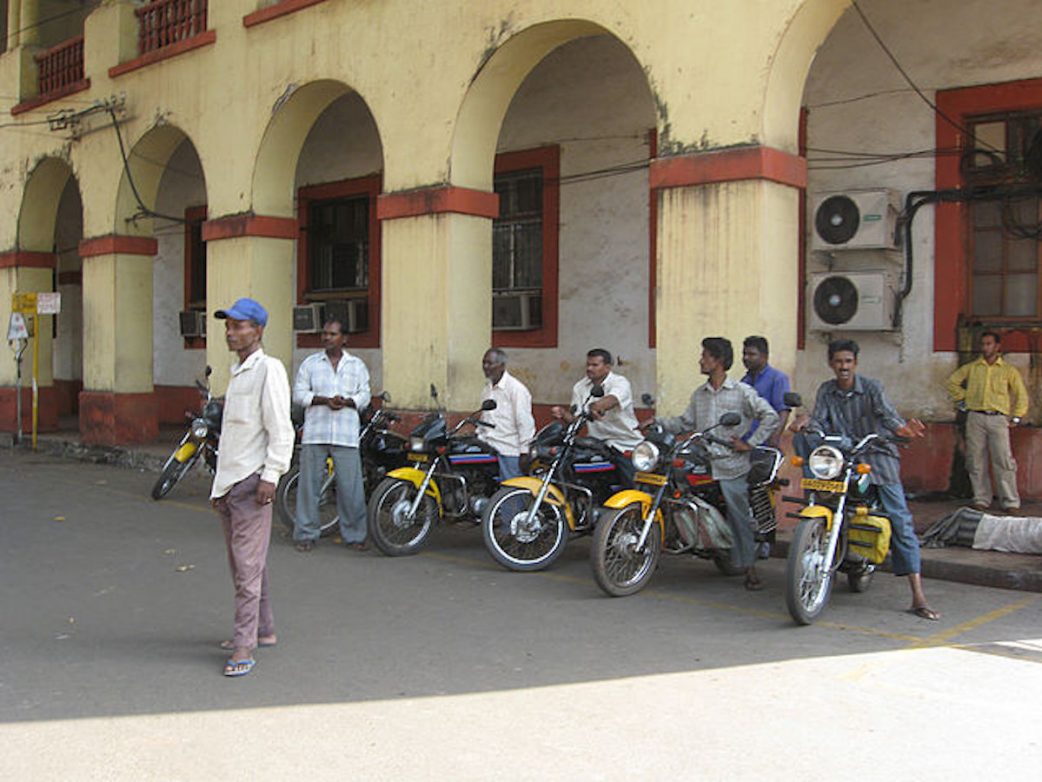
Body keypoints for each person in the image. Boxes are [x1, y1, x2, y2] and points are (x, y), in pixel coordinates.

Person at [793, 338, 939, 620]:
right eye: (838, 361)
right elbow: (819, 420)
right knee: (808, 453)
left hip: (877, 457)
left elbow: (888, 416)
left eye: (848, 361)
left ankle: (918, 596)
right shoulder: (826, 390)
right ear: (831, 364)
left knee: (900, 520)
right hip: (842, 457)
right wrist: (806, 422)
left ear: (855, 363)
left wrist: (902, 430)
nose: (843, 366)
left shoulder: (872, 388)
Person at [641, 337, 779, 590]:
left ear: (718, 361)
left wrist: (750, 443)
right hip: (702, 458)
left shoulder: (741, 392)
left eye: (705, 356)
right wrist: (657, 422)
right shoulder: (700, 394)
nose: (700, 360)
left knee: (738, 513)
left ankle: (750, 569)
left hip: (731, 463)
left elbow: (770, 416)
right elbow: (685, 423)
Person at [210, 297, 295, 677]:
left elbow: (281, 429)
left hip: (252, 482)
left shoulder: (268, 369)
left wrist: (271, 476)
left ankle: (244, 646)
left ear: (258, 330)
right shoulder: (238, 372)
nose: (231, 332)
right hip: (231, 482)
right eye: (228, 326)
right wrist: (218, 490)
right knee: (245, 563)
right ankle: (264, 628)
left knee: (246, 567)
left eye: (238, 326)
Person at [292, 316, 372, 552]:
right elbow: (299, 394)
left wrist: (347, 402)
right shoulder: (310, 364)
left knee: (351, 488)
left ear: (344, 338)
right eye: (325, 334)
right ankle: (306, 534)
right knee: (309, 487)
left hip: (346, 435)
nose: (327, 337)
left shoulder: (356, 365)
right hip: (315, 433)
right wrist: (324, 400)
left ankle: (355, 536)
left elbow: (365, 395)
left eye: (332, 334)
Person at [945, 331, 1028, 512]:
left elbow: (1021, 395)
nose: (985, 347)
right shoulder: (972, 368)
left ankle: (1010, 501)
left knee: (1003, 460)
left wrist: (1017, 416)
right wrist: (964, 399)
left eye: (989, 344)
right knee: (975, 460)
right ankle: (981, 498)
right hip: (975, 417)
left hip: (998, 418)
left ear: (997, 346)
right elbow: (952, 382)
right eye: (983, 344)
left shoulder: (1008, 370)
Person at [551, 348, 642, 483]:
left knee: (631, 483)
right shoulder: (580, 387)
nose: (589, 368)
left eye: (595, 365)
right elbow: (576, 419)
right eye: (588, 365)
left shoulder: (620, 382)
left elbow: (612, 399)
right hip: (597, 443)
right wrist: (563, 413)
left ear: (607, 367)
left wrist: (596, 407)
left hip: (624, 443)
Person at [478, 348, 535, 481]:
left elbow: (525, 423)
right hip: (488, 446)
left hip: (508, 450)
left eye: (490, 363)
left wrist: (524, 452)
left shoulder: (516, 389)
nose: (485, 367)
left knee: (510, 490)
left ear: (502, 366)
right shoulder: (487, 389)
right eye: (484, 363)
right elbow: (485, 417)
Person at [740, 335, 791, 447]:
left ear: (764, 356)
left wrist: (775, 437)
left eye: (751, 354)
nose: (746, 358)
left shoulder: (778, 378)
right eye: (744, 354)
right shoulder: (744, 381)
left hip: (766, 442)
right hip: (745, 441)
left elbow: (783, 411)